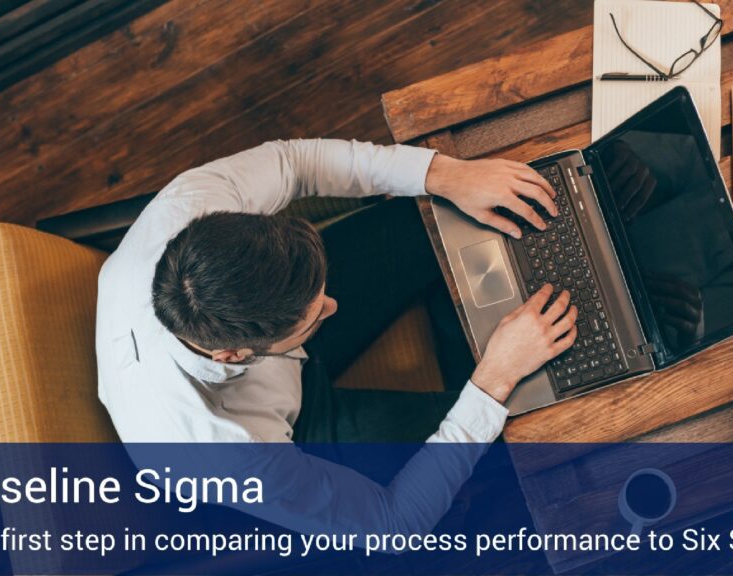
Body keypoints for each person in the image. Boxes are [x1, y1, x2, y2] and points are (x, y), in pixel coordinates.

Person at [96, 139, 578, 536]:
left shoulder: (193, 206)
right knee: (529, 415)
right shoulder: (227, 455)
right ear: (234, 354)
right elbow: (394, 523)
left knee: (437, 214)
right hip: (297, 432)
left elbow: (294, 162)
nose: (334, 307)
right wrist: (493, 379)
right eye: (314, 317)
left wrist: (444, 174)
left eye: (322, 294)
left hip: (265, 321)